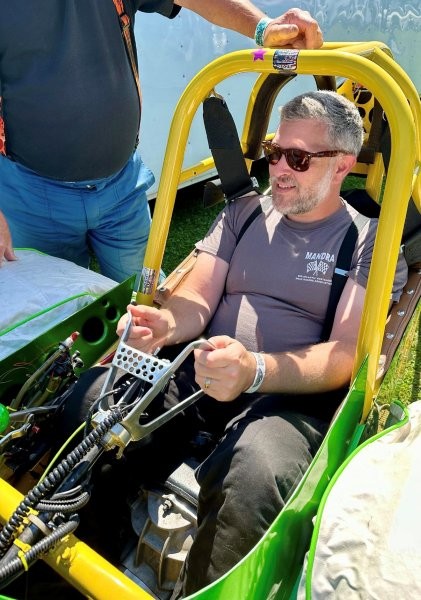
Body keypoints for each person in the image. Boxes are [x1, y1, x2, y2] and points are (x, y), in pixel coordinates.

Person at [60, 90, 407, 597]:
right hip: (200, 370)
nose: (279, 169)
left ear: (342, 166)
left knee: (256, 472)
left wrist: (255, 371)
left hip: (285, 397)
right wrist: (165, 325)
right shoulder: (244, 213)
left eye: (298, 159)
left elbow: (344, 354)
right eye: (275, 151)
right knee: (94, 402)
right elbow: (197, 300)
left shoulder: (368, 240)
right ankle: (75, 568)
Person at [0, 1, 323, 283]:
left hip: (122, 187)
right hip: (30, 194)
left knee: (146, 297)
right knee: (56, 317)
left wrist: (263, 27)